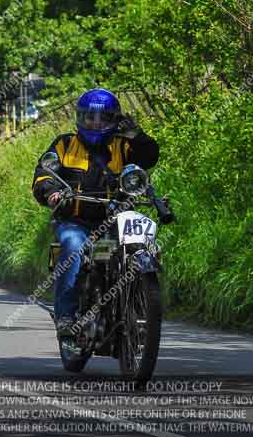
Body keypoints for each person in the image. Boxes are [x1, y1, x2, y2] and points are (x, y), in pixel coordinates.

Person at [31, 88, 159, 338]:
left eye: (103, 118)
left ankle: (137, 304)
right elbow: (43, 174)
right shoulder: (64, 144)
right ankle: (66, 316)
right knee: (72, 244)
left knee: (141, 245)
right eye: (90, 117)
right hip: (75, 220)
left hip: (116, 220)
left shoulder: (124, 145)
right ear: (81, 117)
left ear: (114, 119)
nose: (96, 123)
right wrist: (53, 194)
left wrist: (137, 135)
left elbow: (150, 157)